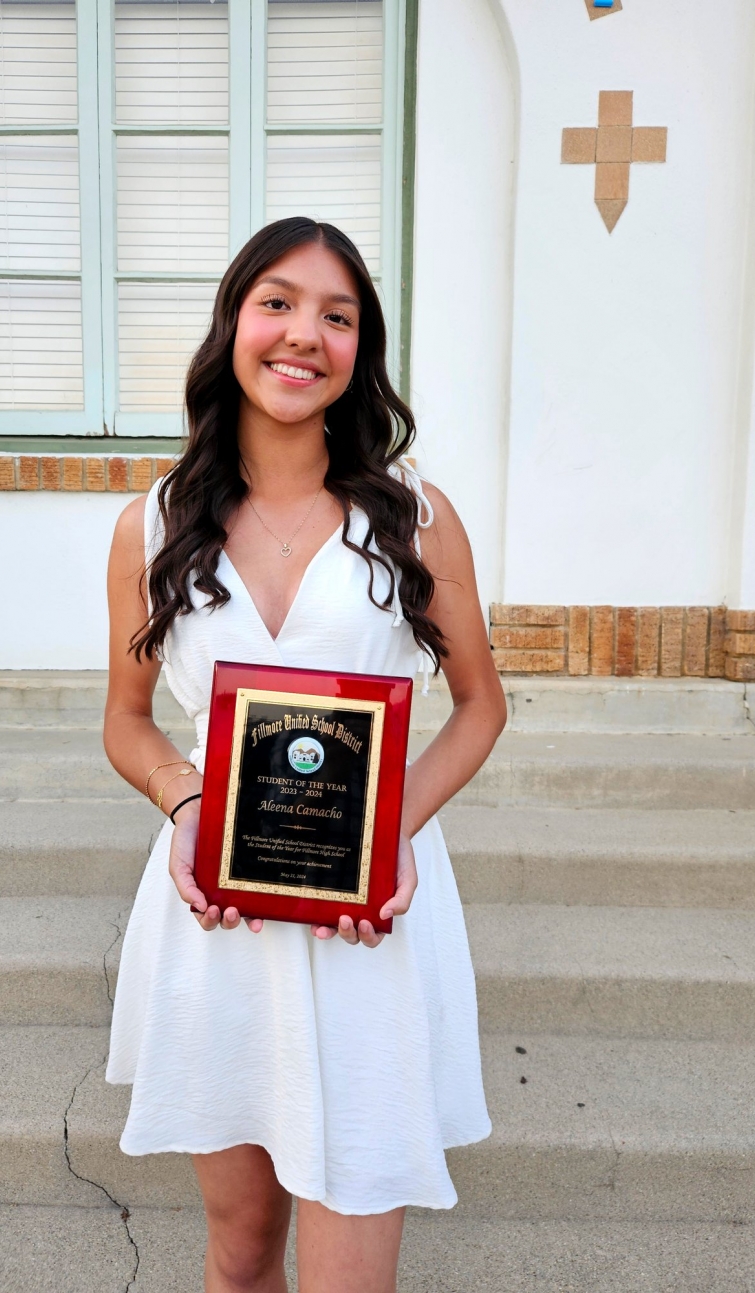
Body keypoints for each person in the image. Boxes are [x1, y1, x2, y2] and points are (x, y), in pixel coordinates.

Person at [103, 217, 508, 1293]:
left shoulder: (416, 515)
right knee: (239, 1261)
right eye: (278, 302)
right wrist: (187, 805)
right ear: (233, 322)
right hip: (216, 921)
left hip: (366, 926)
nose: (303, 335)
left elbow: (477, 708)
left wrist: (393, 831)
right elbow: (128, 721)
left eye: (338, 316)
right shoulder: (154, 524)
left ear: (358, 352)